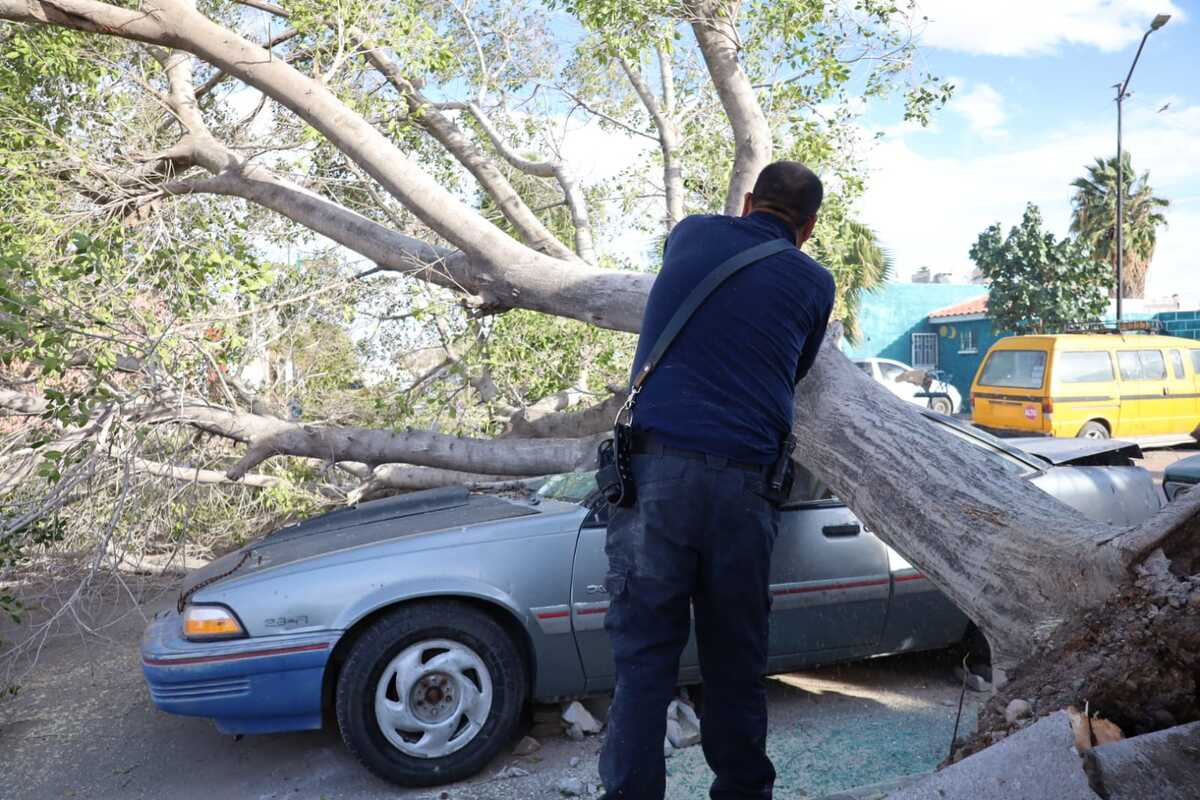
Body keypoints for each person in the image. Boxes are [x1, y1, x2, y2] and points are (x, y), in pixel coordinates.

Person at [599, 161, 835, 800]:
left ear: (750, 202)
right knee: (736, 658)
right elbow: (797, 370)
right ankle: (742, 791)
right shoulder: (815, 281)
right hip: (744, 483)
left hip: (654, 478)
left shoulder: (693, 232)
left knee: (645, 659)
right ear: (808, 228)